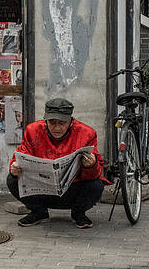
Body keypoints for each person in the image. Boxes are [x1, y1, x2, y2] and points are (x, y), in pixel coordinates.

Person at [7, 98, 108, 229]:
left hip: (72, 190)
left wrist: (91, 165)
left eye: (62, 123)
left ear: (71, 122)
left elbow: (96, 171)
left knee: (96, 185)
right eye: (52, 123)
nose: (57, 128)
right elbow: (20, 155)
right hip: (42, 190)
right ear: (45, 120)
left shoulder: (86, 133)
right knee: (12, 180)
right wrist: (14, 168)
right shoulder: (33, 130)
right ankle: (39, 212)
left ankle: (79, 213)